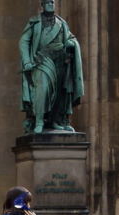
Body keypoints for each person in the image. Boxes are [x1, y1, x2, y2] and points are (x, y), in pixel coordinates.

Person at [19, 0, 83, 135]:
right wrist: (27, 62)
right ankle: (39, 121)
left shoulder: (62, 23)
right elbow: (24, 41)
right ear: (42, 5)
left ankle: (55, 121)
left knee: (59, 92)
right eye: (47, 2)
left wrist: (72, 43)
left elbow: (70, 38)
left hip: (60, 60)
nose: (50, 4)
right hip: (41, 60)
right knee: (42, 89)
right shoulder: (35, 22)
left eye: (52, 2)